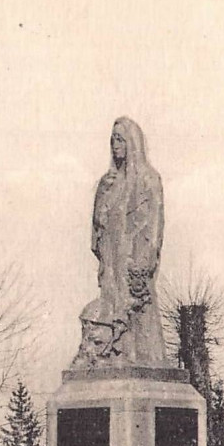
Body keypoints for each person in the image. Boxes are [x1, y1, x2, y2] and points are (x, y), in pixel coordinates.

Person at [73, 117, 168, 365]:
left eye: (120, 139)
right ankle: (114, 356)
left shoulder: (148, 179)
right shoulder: (109, 183)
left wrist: (143, 262)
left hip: (133, 263)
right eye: (112, 140)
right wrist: (102, 197)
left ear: (132, 143)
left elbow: (155, 225)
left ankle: (143, 361)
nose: (115, 145)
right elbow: (97, 231)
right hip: (111, 261)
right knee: (111, 309)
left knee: (138, 315)